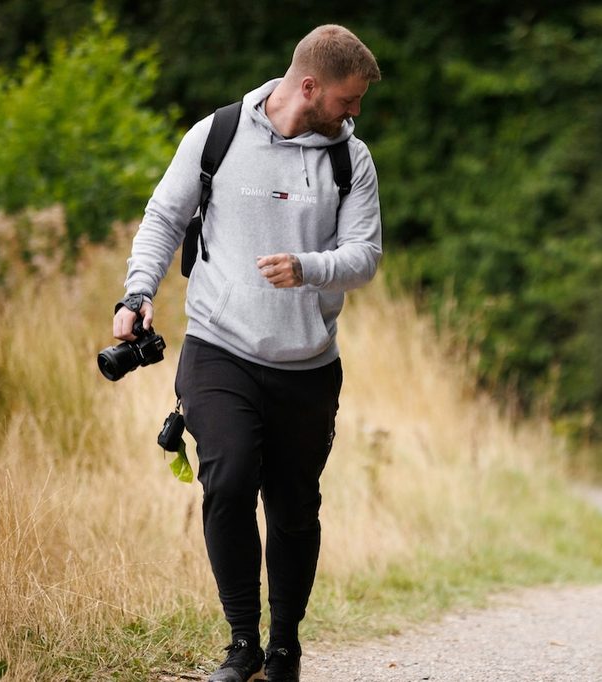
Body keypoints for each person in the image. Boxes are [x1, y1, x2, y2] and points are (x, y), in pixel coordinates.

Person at [112, 25, 382, 682]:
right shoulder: (217, 136)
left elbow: (364, 257)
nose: (355, 112)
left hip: (307, 366)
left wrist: (307, 267)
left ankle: (284, 646)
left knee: (294, 508)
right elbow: (164, 217)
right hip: (220, 348)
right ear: (309, 86)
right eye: (348, 99)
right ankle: (242, 645)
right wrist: (136, 293)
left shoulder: (353, 160)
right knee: (228, 479)